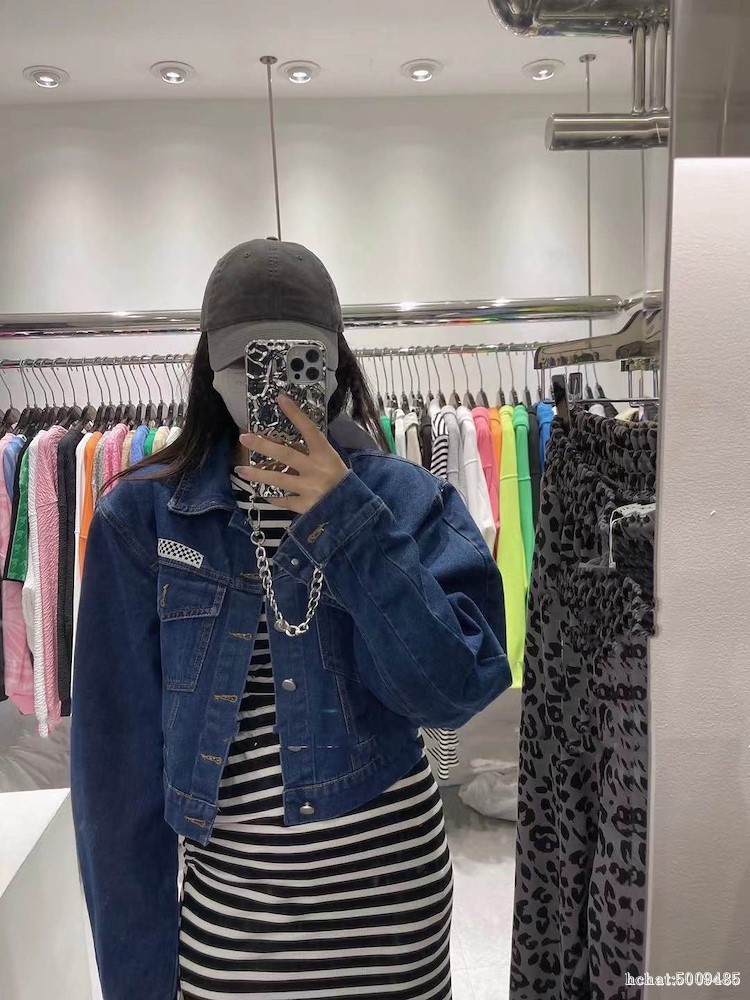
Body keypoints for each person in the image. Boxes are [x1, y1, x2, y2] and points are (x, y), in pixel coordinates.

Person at [71, 238, 511, 1000]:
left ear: (335, 363)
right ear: (210, 370)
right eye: (246, 362)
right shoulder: (141, 520)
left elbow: (451, 693)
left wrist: (349, 522)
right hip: (235, 929)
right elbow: (115, 781)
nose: (270, 386)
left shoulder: (407, 500)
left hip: (393, 920)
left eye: (298, 358)